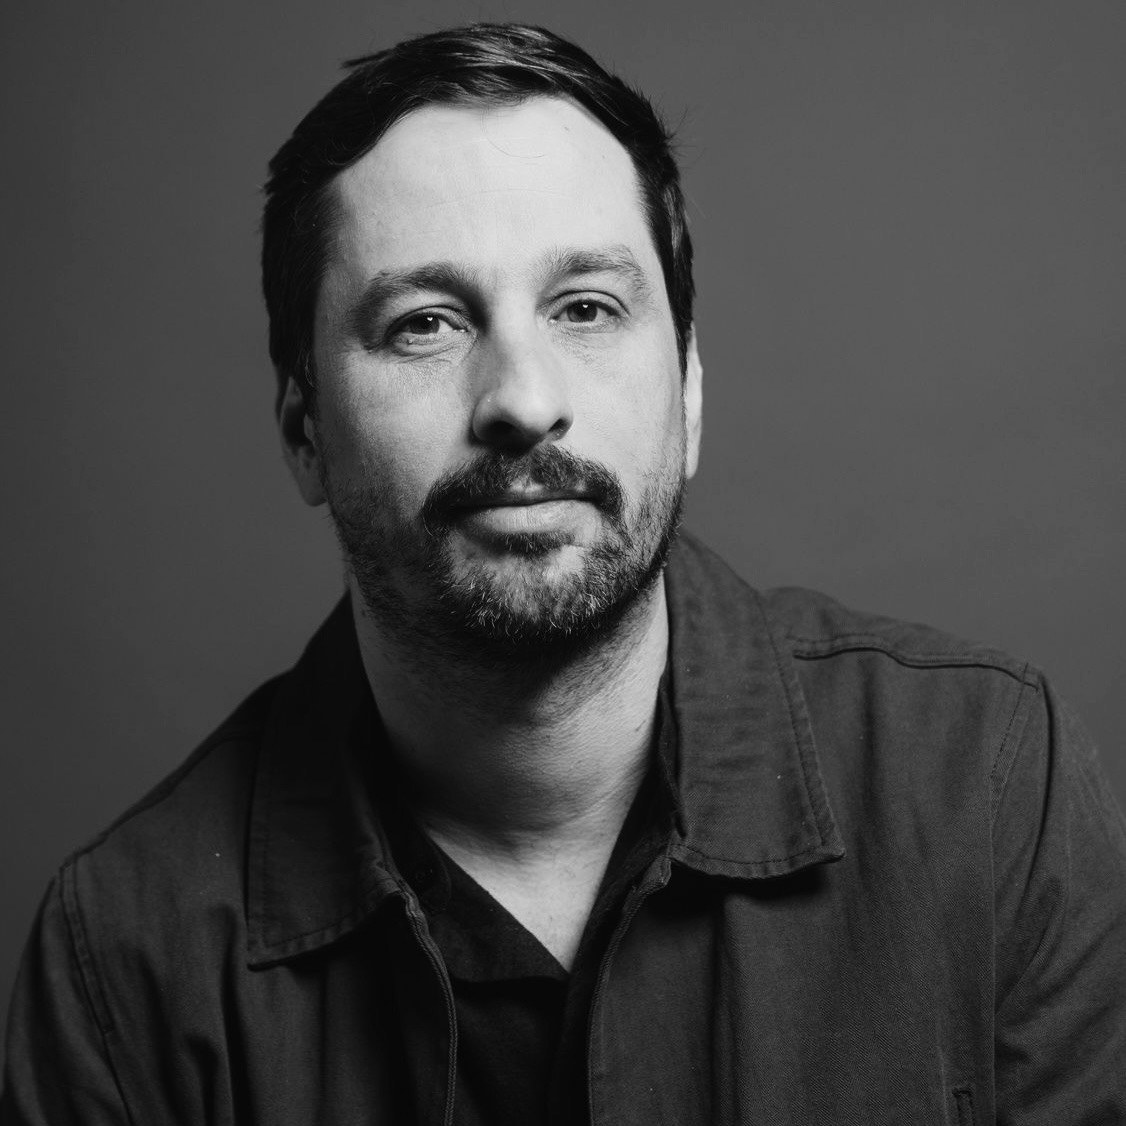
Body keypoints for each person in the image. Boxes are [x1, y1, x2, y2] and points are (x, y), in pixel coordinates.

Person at [3, 21, 1124, 1125]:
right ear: (306, 431)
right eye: (425, 323)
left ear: (689, 391)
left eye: (586, 307)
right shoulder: (125, 966)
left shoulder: (986, 792)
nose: (522, 401)